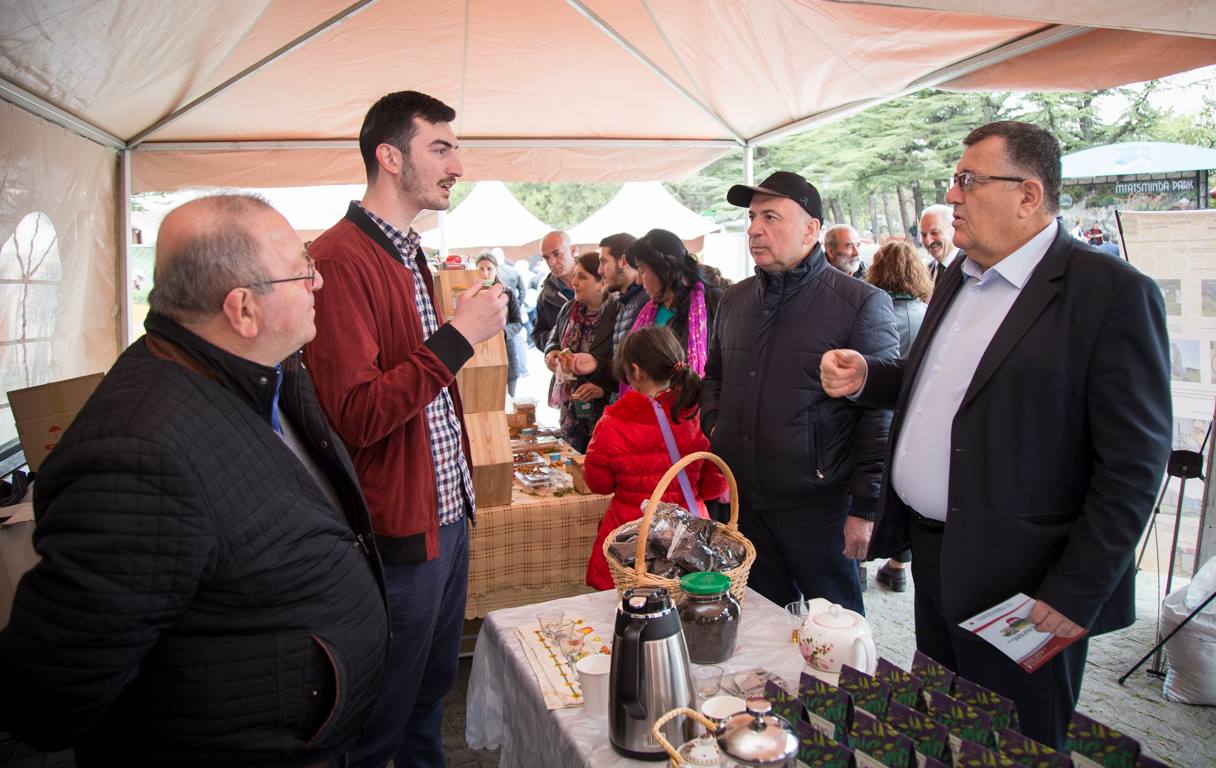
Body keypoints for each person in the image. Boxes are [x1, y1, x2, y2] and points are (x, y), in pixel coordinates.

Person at [0, 195, 388, 766]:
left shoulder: (256, 373)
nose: (318, 281)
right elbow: (50, 692)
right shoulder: (138, 457)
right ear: (242, 309)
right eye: (301, 269)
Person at [820, 120, 1171, 748]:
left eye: (968, 180)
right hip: (936, 552)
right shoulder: (960, 273)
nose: (951, 196)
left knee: (1018, 740)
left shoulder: (1110, 294)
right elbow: (942, 381)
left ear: (1028, 195)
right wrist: (870, 377)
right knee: (951, 722)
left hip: (1029, 581)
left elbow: (1134, 465)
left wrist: (1077, 590)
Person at [302, 91, 508, 768]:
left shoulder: (405, 252)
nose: (458, 165)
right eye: (440, 149)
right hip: (398, 529)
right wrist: (458, 338)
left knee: (428, 691)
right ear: (390, 158)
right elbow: (357, 413)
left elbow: (416, 387)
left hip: (443, 514)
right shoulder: (340, 259)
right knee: (382, 714)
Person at [703, 171, 898, 614]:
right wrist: (716, 427)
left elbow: (878, 416)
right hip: (746, 500)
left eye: (771, 217)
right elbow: (714, 377)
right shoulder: (734, 300)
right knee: (764, 624)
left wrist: (866, 508)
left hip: (820, 508)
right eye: (752, 217)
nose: (755, 229)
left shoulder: (860, 303)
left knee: (835, 628)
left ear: (811, 229)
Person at [582, 326, 728, 589]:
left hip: (632, 536)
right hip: (688, 536)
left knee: (629, 603)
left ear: (635, 370)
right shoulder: (700, 414)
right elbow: (714, 487)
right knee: (689, 601)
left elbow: (598, 484)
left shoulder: (613, 422)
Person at [864, 239, 933, 592]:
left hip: (875, 413)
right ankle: (898, 566)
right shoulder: (930, 315)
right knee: (906, 492)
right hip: (915, 420)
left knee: (870, 487)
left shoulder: (871, 310)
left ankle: (859, 562)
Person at [544, 251, 619, 452]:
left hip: (603, 409)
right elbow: (553, 338)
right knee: (571, 457)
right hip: (570, 405)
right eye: (575, 275)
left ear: (602, 282)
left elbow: (625, 365)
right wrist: (551, 351)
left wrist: (604, 388)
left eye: (582, 277)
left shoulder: (618, 313)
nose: (574, 282)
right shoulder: (569, 309)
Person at [625, 228, 723, 379]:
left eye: (641, 270)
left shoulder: (715, 304)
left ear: (665, 268)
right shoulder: (646, 311)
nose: (638, 281)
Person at [477, 250, 527, 396]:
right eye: (481, 269)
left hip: (506, 351)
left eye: (489, 268)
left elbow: (518, 322)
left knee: (509, 399)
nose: (485, 273)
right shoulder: (472, 295)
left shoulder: (507, 292)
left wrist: (502, 332)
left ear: (496, 270)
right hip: (481, 355)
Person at [598, 232, 645, 350]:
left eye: (604, 262)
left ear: (623, 261)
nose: (599, 270)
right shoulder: (622, 301)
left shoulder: (645, 303)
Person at [531, 230, 576, 349]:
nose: (552, 262)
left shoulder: (599, 277)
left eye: (557, 254)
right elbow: (537, 334)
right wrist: (555, 341)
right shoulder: (545, 295)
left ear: (573, 250)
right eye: (546, 258)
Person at [919, 204, 960, 285]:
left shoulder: (970, 269)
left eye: (934, 233)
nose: (928, 241)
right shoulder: (926, 272)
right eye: (924, 235)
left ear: (953, 230)